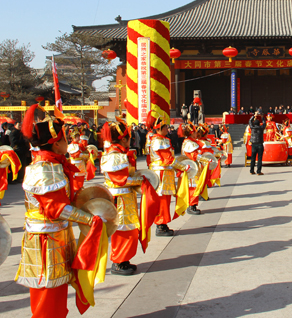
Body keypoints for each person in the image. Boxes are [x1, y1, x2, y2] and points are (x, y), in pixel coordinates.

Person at [17, 105, 107, 317]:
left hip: (56, 234)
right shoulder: (43, 168)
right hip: (45, 238)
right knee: (48, 289)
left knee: (57, 288)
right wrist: (89, 219)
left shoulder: (55, 165)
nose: (68, 142)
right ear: (56, 144)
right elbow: (56, 208)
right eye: (65, 138)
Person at [101, 120, 145, 276]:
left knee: (129, 229)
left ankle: (124, 259)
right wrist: (140, 180)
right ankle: (118, 262)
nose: (130, 141)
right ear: (122, 139)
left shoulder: (118, 154)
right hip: (119, 199)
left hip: (125, 198)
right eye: (128, 138)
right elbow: (121, 180)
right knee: (122, 230)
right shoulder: (114, 156)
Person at [147, 111, 178, 236]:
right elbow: (167, 158)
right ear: (159, 128)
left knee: (165, 199)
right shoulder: (159, 141)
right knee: (162, 199)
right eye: (165, 127)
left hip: (164, 172)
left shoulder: (159, 140)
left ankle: (163, 223)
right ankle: (160, 224)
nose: (167, 128)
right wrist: (182, 166)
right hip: (162, 173)